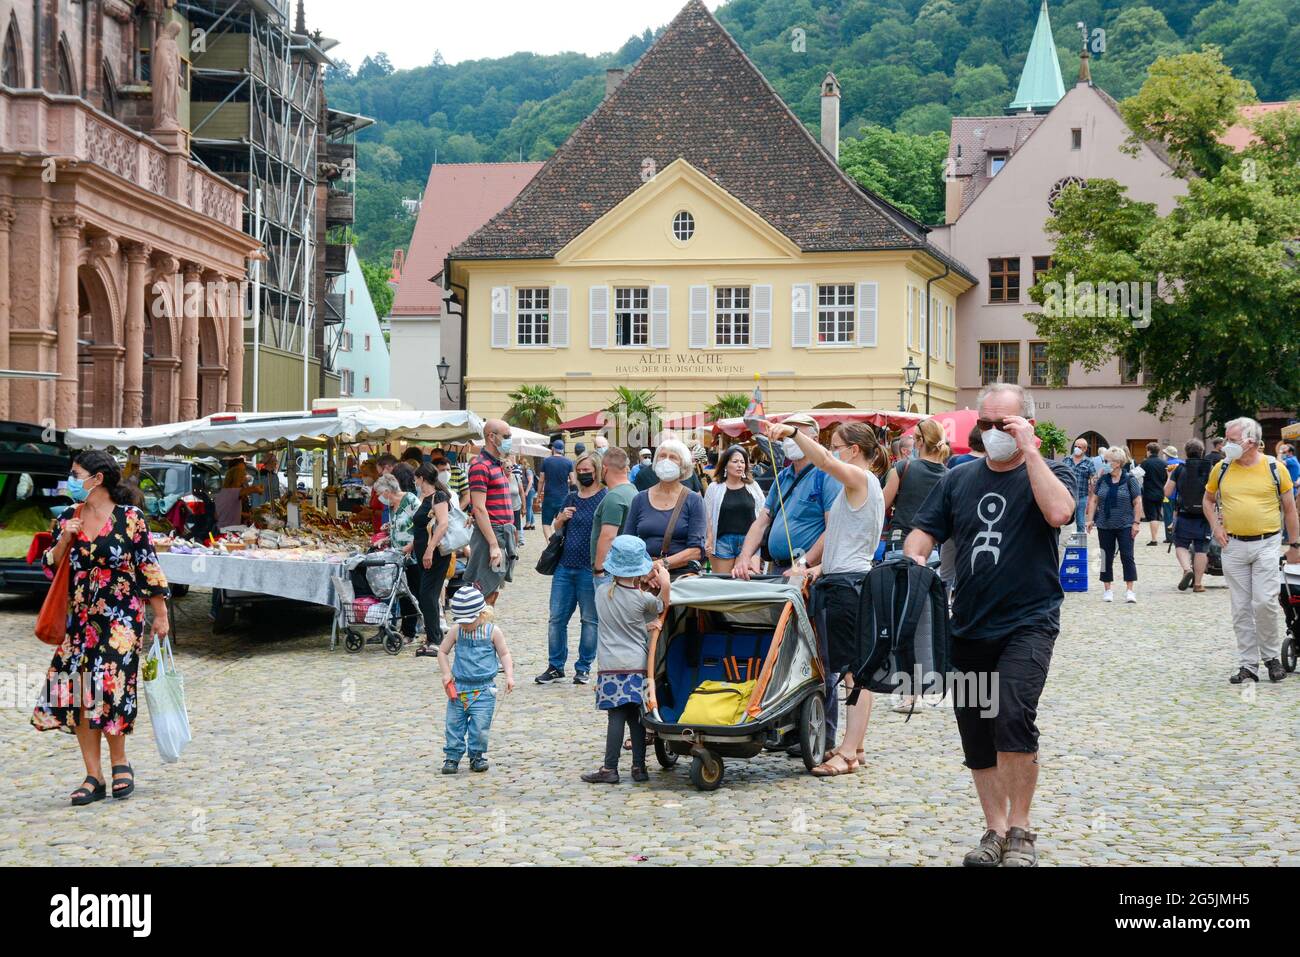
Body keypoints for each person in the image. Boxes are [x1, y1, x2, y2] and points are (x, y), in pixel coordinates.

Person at [903, 383, 1077, 868]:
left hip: (1029, 621)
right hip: (969, 625)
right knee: (976, 730)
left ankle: (1021, 829)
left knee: (1013, 717)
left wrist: (1029, 452)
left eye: (1004, 423)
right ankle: (994, 830)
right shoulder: (959, 478)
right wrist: (915, 558)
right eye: (985, 424)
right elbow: (922, 533)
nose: (992, 432)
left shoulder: (1051, 471)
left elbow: (1059, 512)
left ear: (1028, 425)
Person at [32, 450, 171, 804]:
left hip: (121, 617)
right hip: (79, 619)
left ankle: (119, 761)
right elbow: (49, 566)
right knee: (80, 691)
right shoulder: (67, 516)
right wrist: (65, 539)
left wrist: (161, 614)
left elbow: (147, 566)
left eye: (77, 474)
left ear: (98, 478)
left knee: (111, 685)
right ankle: (93, 775)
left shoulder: (131, 518)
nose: (71, 480)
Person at [761, 420, 886, 777]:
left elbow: (827, 464)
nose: (831, 451)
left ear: (854, 451)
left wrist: (794, 435)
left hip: (849, 584)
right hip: (843, 578)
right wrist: (815, 569)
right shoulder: (861, 486)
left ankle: (848, 752)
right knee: (853, 671)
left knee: (853, 674)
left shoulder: (861, 479)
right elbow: (844, 538)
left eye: (836, 445)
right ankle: (855, 745)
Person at [1205, 417, 1300, 684]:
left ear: (1251, 441)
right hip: (1232, 545)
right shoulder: (1222, 468)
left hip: (1266, 543)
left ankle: (1270, 657)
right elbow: (1208, 500)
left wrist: (1295, 545)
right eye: (1225, 439)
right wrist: (1216, 526)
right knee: (1241, 608)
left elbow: (1290, 509)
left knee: (1264, 602)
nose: (1226, 445)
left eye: (1232, 440)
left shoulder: (1275, 468)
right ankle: (1248, 664)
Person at [581, 538, 670, 784]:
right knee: (636, 718)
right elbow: (662, 606)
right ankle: (639, 768)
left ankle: (610, 767)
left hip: (610, 665)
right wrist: (664, 582)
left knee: (616, 717)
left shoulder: (601, 593)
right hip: (637, 664)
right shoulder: (642, 600)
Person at [732, 413, 842, 578]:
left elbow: (833, 528)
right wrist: (744, 557)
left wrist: (804, 564)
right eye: (786, 436)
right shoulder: (782, 477)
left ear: (815, 439)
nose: (790, 441)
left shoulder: (826, 476)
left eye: (795, 435)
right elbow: (761, 522)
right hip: (780, 570)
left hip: (807, 572)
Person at [537, 452, 607, 686]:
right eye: (580, 471)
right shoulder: (571, 498)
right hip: (565, 567)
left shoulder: (604, 498)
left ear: (597, 471)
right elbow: (556, 528)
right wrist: (560, 521)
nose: (584, 474)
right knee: (556, 619)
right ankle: (555, 666)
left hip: (590, 569)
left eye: (588, 470)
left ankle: (584, 667)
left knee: (589, 620)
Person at [438, 586, 514, 773]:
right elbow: (442, 651)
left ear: (482, 613)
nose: (465, 625)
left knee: (480, 727)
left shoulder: (493, 631)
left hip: (484, 689)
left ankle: (477, 755)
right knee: (454, 725)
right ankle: (452, 757)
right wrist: (446, 673)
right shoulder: (456, 630)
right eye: (461, 621)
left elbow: (504, 653)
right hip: (460, 686)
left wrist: (509, 675)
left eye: (468, 621)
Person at [623, 439, 707, 574]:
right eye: (662, 456)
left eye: (673, 457)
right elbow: (627, 541)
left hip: (680, 578)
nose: (666, 461)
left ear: (683, 465)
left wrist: (659, 565)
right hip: (644, 576)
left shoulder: (694, 500)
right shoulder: (639, 499)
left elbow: (696, 551)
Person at [464, 419, 518, 606]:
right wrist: (493, 544)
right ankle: (479, 633)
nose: (509, 440)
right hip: (491, 534)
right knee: (484, 591)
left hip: (501, 531)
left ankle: (485, 631)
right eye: (507, 436)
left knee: (492, 590)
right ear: (491, 437)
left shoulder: (496, 465)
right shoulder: (481, 466)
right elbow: (478, 508)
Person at [882, 418, 949, 558]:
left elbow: (880, 505)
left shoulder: (903, 467)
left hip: (900, 542)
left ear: (920, 442)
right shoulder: (949, 476)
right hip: (931, 548)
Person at [1085, 446, 1144, 603]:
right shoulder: (1102, 480)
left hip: (1125, 523)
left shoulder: (1130, 480)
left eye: (1107, 461)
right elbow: (1094, 500)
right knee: (1105, 556)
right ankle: (1108, 590)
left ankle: (1130, 591)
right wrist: (1090, 519)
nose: (1104, 463)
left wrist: (1136, 523)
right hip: (1104, 523)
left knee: (1127, 556)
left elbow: (1137, 502)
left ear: (1117, 463)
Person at [374, 473, 422, 640]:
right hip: (398, 555)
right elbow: (401, 527)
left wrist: (412, 545)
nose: (380, 497)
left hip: (413, 555)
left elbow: (424, 525)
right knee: (402, 592)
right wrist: (387, 536)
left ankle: (411, 631)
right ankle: (404, 630)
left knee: (412, 592)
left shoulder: (410, 500)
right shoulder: (392, 505)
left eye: (380, 493)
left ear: (388, 491)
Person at [703, 445, 764, 575]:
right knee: (723, 587)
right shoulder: (714, 488)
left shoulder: (753, 486)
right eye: (735, 461)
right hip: (722, 543)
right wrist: (708, 538)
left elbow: (763, 512)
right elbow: (706, 515)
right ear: (725, 465)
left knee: (748, 585)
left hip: (749, 543)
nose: (739, 465)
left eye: (742, 462)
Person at [412, 463, 452, 657]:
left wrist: (429, 549)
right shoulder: (424, 498)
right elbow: (422, 527)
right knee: (425, 595)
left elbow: (443, 524)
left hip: (436, 555)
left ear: (421, 478)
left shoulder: (439, 496)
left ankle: (435, 640)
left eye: (416, 478)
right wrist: (411, 547)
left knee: (428, 595)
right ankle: (432, 637)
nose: (415, 482)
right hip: (422, 554)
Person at [1165, 438, 1213, 593]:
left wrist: (1169, 476)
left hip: (1184, 513)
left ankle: (1186, 569)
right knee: (1201, 549)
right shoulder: (1210, 469)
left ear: (1186, 452)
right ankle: (1198, 584)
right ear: (1201, 452)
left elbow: (1167, 492)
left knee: (1181, 545)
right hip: (1204, 515)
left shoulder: (1179, 469)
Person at [591, 448, 638, 583]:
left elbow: (608, 536)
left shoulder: (614, 496)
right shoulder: (633, 491)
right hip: (624, 567)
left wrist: (599, 569)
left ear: (604, 469)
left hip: (610, 570)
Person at [539, 439, 574, 538]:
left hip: (549, 497)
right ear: (562, 449)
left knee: (546, 524)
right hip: (563, 497)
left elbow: (541, 480)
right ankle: (559, 544)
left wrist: (538, 494)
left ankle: (550, 546)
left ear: (553, 448)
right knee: (560, 522)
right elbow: (573, 480)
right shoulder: (568, 462)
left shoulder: (546, 461)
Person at [1137, 442, 1168, 545]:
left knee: (1152, 516)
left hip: (1149, 492)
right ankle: (1155, 537)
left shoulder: (1146, 463)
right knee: (1158, 515)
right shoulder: (1164, 463)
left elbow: (1136, 475)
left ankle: (1154, 539)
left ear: (1148, 451)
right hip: (1160, 492)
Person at [1066, 438, 1095, 536]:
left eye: (1079, 447)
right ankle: (1063, 544)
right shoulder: (1066, 460)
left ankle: (1080, 544)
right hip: (1067, 496)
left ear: (1085, 449)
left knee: (1080, 521)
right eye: (1075, 446)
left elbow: (1093, 480)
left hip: (1082, 496)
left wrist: (1092, 498)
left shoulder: (1089, 462)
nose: (1077, 448)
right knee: (1065, 521)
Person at [523, 459, 538, 530]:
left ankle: (528, 523)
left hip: (529, 491)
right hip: (529, 490)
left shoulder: (528, 471)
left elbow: (530, 481)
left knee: (528, 507)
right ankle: (532, 524)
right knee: (530, 507)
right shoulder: (526, 471)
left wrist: (526, 492)